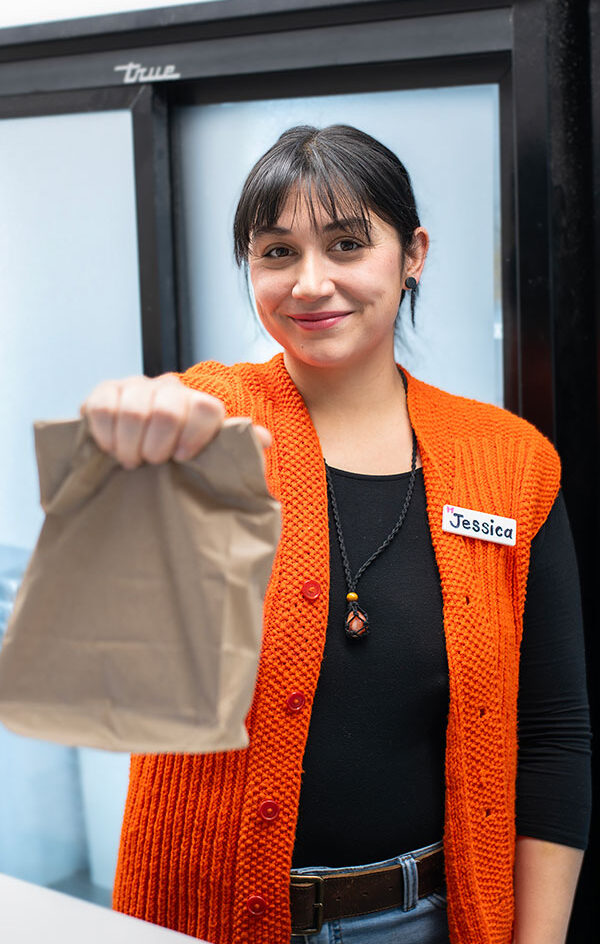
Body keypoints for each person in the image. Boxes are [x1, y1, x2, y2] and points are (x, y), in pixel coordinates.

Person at [82, 126, 591, 944]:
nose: (311, 283)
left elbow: (554, 735)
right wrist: (139, 430)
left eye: (347, 243)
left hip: (429, 919)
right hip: (205, 916)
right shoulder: (215, 424)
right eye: (276, 252)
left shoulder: (512, 465)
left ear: (412, 252)